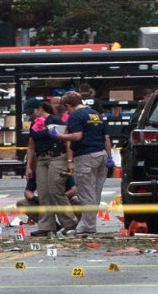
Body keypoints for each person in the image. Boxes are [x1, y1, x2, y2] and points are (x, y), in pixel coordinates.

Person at [55, 91, 113, 236]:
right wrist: (109, 157)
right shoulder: (95, 114)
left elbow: (77, 136)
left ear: (68, 105)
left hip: (86, 156)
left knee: (86, 193)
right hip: (101, 155)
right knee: (95, 193)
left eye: (66, 108)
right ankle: (90, 225)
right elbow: (106, 138)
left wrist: (58, 135)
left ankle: (86, 226)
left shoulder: (75, 115)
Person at [23, 98, 78, 237]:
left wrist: (69, 160)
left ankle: (70, 224)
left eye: (32, 112)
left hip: (57, 157)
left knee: (55, 190)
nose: (31, 115)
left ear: (39, 108)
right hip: (41, 159)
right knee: (43, 192)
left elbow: (66, 142)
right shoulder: (34, 124)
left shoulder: (55, 121)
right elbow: (31, 146)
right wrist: (29, 166)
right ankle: (47, 226)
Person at [16, 174, 81, 225]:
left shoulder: (61, 170)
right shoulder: (38, 172)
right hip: (45, 201)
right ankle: (51, 227)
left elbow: (73, 190)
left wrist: (59, 197)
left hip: (63, 200)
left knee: (76, 200)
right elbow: (27, 192)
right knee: (21, 203)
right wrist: (35, 199)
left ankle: (74, 225)